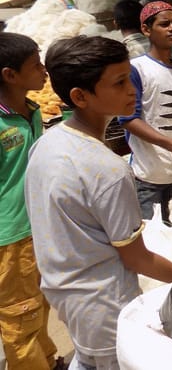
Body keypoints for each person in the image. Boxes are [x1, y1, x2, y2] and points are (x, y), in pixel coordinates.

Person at [24, 35, 172, 370]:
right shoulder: (108, 170)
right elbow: (137, 258)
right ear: (80, 96)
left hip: (66, 297)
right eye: (119, 82)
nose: (132, 90)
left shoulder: (47, 143)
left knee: (87, 360)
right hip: (107, 308)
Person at [0, 33, 60, 370]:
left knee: (40, 302)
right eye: (36, 65)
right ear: (10, 75)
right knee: (19, 316)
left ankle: (46, 360)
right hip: (10, 237)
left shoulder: (33, 111)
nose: (44, 71)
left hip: (37, 226)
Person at [118, 1, 172, 224]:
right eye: (164, 24)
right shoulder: (136, 69)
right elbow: (128, 119)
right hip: (148, 180)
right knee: (153, 239)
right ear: (146, 29)